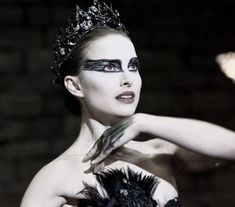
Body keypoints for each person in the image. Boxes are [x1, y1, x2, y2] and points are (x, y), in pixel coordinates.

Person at [20, 1, 235, 207]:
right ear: (75, 86)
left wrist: (143, 122)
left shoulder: (158, 153)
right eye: (110, 67)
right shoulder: (56, 177)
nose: (127, 78)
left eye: (133, 66)